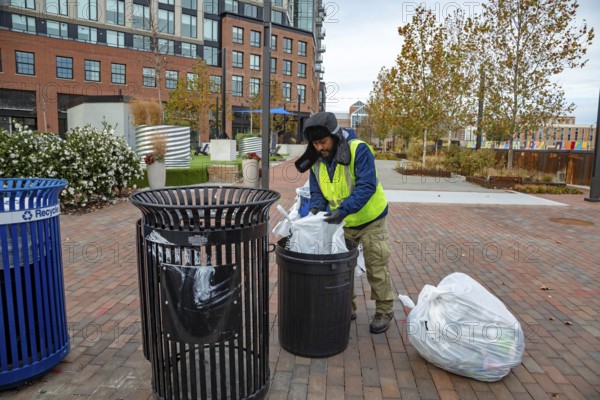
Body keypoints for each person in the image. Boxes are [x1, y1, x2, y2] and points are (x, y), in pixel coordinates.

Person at [295, 112, 395, 334]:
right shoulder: (316, 159)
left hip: (371, 219)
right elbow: (317, 190)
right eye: (315, 143)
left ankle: (384, 310)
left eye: (323, 142)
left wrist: (343, 210)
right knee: (340, 268)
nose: (319, 147)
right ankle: (345, 308)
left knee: (376, 264)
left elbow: (366, 186)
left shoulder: (358, 149)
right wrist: (316, 210)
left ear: (335, 136)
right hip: (342, 222)